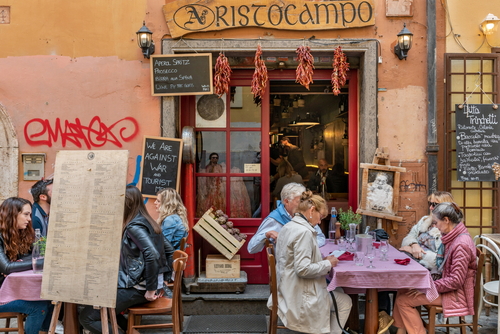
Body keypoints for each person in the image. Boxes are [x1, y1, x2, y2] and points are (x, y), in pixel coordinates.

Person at [79, 186, 174, 334]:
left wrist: (151, 288)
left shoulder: (134, 226)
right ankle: (129, 330)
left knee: (87, 317)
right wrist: (164, 280)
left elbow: (153, 254)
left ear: (126, 204)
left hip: (139, 288)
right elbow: (169, 251)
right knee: (103, 306)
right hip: (143, 284)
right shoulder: (149, 221)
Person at [270, 191, 352, 334]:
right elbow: (302, 269)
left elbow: (295, 261)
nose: (320, 222)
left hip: (287, 288)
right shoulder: (304, 232)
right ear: (312, 210)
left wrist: (322, 261)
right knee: (345, 301)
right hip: (298, 296)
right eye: (320, 217)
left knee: (339, 291)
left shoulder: (288, 226)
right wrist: (328, 264)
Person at [392, 202, 477, 334]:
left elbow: (456, 281)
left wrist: (427, 287)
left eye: (436, 222)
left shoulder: (461, 244)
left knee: (403, 301)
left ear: (447, 220)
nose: (434, 225)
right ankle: (401, 331)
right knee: (404, 288)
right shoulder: (452, 237)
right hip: (448, 288)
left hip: (456, 294)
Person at [0, 197, 53, 334]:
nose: (29, 219)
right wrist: (41, 262)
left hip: (9, 290)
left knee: (49, 299)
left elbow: (29, 256)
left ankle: (43, 331)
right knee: (39, 306)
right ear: (12, 214)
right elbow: (6, 267)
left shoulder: (17, 235)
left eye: (29, 214)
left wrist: (21, 264)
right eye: (26, 214)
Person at [247, 182, 326, 254]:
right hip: (287, 266)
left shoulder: (305, 215)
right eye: (299, 202)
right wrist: (267, 234)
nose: (303, 205)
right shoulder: (274, 219)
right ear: (286, 201)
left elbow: (321, 237)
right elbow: (251, 248)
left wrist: (305, 246)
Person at [399, 191, 455, 278]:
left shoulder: (447, 229)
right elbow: (409, 236)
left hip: (430, 272)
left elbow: (440, 261)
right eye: (430, 203)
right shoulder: (425, 220)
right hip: (413, 263)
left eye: (434, 205)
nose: (430, 207)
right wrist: (414, 245)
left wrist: (412, 251)